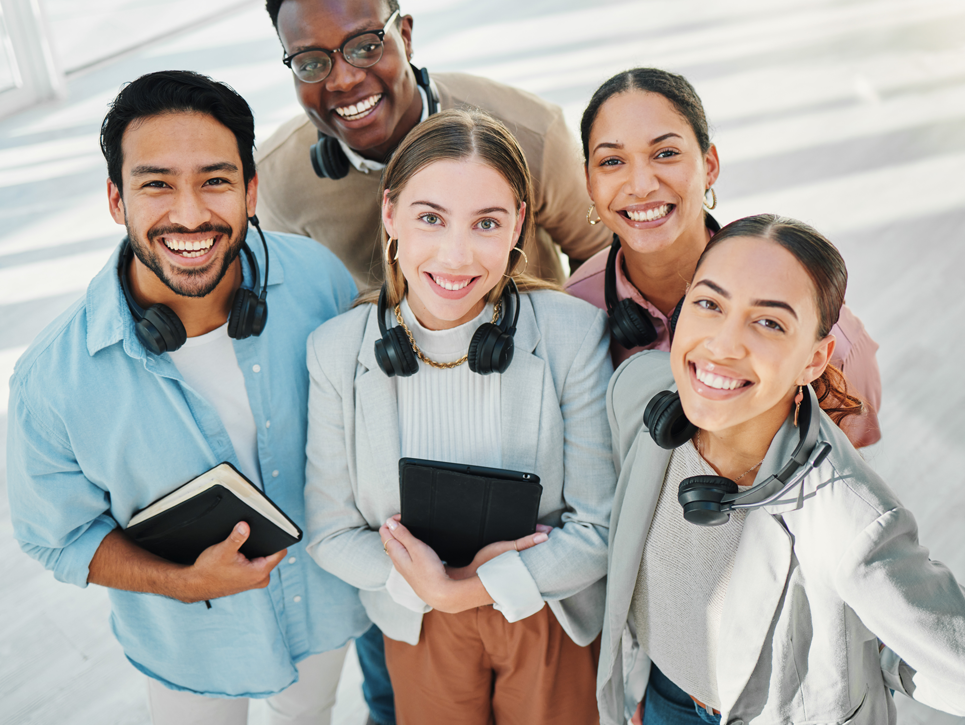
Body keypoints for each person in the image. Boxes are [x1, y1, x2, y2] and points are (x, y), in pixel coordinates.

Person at [5, 70, 369, 725]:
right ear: (116, 200)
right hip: (190, 645)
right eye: (156, 184)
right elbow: (57, 538)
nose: (191, 213)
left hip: (324, 603)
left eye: (215, 180)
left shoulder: (318, 279)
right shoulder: (51, 380)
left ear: (251, 191)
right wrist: (181, 582)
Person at [303, 109, 616, 725]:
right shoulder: (336, 352)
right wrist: (428, 590)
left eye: (486, 223)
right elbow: (330, 532)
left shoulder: (573, 336)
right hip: (417, 621)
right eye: (430, 218)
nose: (456, 254)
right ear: (390, 214)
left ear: (518, 224)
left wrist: (466, 588)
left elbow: (600, 528)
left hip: (544, 611)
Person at [597, 215, 965, 725]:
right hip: (665, 697)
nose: (723, 345)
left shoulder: (852, 523)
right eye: (709, 303)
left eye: (769, 322)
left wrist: (877, 653)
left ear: (815, 359)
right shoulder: (637, 391)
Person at [255, 0, 610, 293]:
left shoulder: (531, 130)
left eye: (366, 46)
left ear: (405, 37)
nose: (345, 80)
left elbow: (602, 254)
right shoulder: (277, 180)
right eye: (312, 62)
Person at [566, 68, 882, 448]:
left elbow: (851, 470)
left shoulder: (827, 331)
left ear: (709, 165)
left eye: (666, 153)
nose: (641, 185)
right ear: (589, 182)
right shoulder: (574, 312)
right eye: (612, 162)